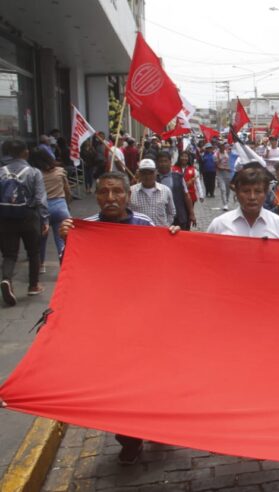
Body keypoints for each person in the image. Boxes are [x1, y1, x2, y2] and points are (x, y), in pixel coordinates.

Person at [59, 171, 178, 465]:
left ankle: (157, 425)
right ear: (96, 195)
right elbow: (71, 270)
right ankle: (128, 438)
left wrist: (172, 238)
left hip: (145, 319)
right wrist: (68, 241)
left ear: (128, 195)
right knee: (118, 384)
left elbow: (162, 263)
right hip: (107, 323)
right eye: (103, 192)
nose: (110, 198)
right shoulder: (85, 227)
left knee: (150, 379)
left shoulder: (144, 225)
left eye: (116, 192)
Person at [0, 140, 49, 305]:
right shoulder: (34, 172)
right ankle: (33, 285)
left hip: (6, 218)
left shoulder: (1, 172)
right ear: (26, 153)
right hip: (29, 216)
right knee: (33, 251)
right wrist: (44, 219)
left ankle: (7, 279)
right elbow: (40, 198)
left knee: (9, 254)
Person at [207, 168, 279, 239]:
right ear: (237, 193)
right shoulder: (219, 225)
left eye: (258, 191)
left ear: (265, 193)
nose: (252, 197)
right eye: (246, 191)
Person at [28, 149, 71, 270]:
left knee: (41, 241)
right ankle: (64, 266)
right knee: (62, 239)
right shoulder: (60, 171)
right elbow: (67, 190)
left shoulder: (34, 174)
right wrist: (67, 204)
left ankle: (41, 265)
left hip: (42, 210)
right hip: (60, 207)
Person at [129, 159, 175, 227]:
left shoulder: (166, 190)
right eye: (144, 173)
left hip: (160, 233)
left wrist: (166, 226)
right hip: (139, 233)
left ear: (156, 172)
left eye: (151, 172)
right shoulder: (131, 191)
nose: (147, 176)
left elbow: (171, 212)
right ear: (139, 174)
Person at [156, 151, 195, 230]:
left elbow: (186, 195)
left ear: (170, 162)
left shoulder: (178, 177)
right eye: (160, 161)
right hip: (160, 218)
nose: (163, 164)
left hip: (179, 216)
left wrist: (191, 213)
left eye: (165, 161)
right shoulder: (153, 179)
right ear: (157, 163)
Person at [216, 143, 233, 210]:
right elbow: (217, 165)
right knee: (223, 189)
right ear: (219, 147)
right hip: (220, 174)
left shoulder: (228, 153)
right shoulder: (216, 154)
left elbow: (232, 160)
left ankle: (227, 201)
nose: (223, 147)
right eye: (221, 146)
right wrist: (220, 160)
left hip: (228, 173)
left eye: (224, 146)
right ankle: (225, 204)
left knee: (228, 189)